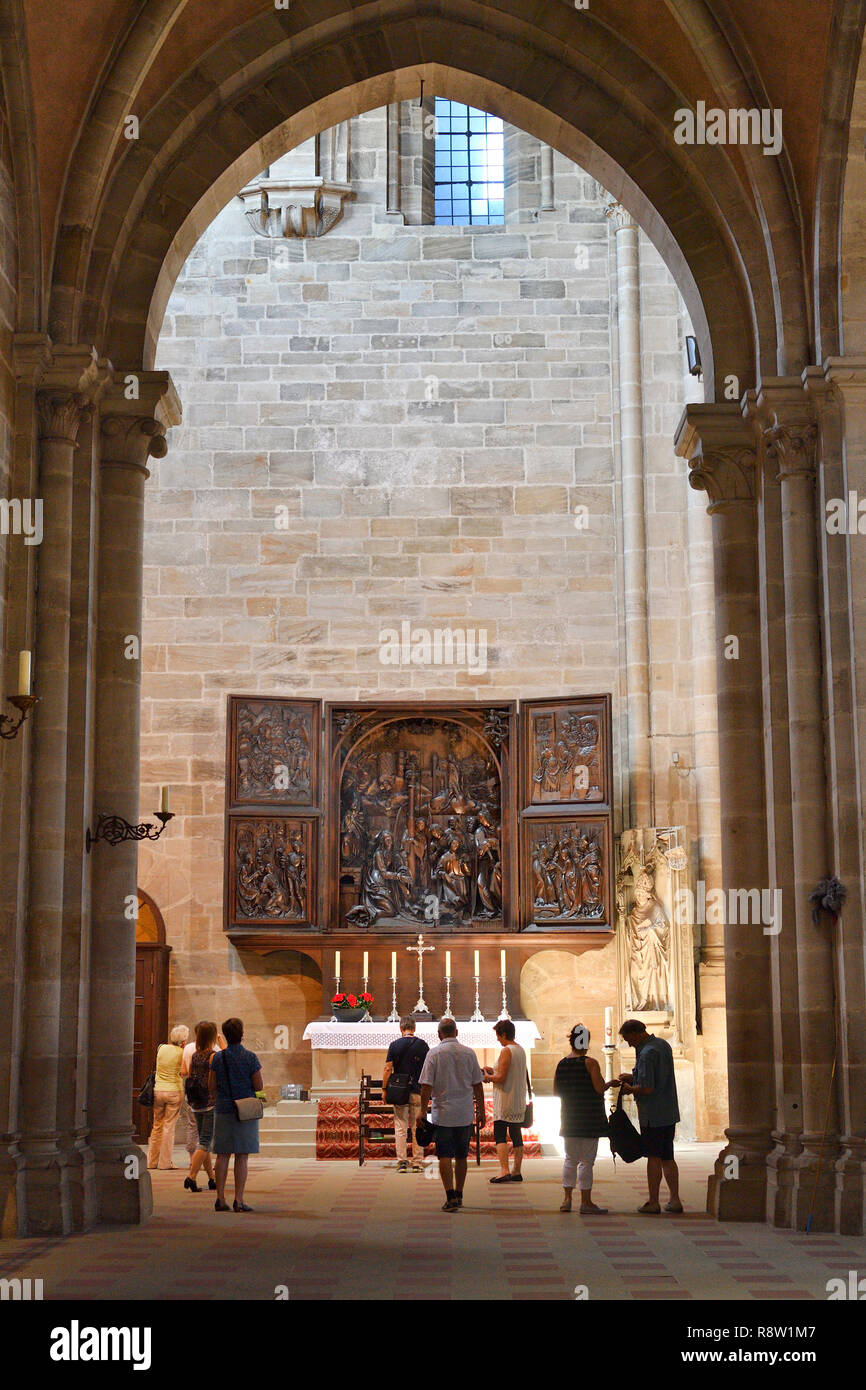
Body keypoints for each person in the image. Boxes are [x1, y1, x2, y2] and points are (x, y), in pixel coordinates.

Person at [615, 1018, 682, 1214]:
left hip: (652, 1114)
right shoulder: (662, 1045)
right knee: (667, 1157)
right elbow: (657, 1077)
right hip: (668, 1111)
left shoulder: (645, 1053)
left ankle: (653, 1201)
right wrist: (633, 1076)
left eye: (629, 1039)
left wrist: (629, 1088)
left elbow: (646, 1088)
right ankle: (675, 1200)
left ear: (636, 1033)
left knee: (653, 1157)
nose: (628, 1043)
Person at [418, 1019, 485, 1212]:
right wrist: (480, 1110)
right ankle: (460, 1193)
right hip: (464, 1113)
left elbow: (426, 1086)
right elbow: (478, 1085)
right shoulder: (469, 1053)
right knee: (462, 1156)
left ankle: (450, 1196)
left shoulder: (434, 1054)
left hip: (444, 1113)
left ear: (439, 1034)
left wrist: (423, 1110)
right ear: (457, 1031)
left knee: (445, 1155)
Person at [208, 1017, 263, 1212]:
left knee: (222, 1155)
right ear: (241, 1034)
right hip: (244, 1110)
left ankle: (220, 1198)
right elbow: (259, 1085)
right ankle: (239, 1200)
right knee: (241, 1156)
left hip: (223, 1108)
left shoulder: (217, 1058)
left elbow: (211, 1085)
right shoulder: (250, 1057)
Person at [553, 1023, 609, 1214]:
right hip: (589, 1117)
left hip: (569, 1116)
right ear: (585, 1041)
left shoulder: (562, 1064)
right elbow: (599, 1088)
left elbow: (556, 1091)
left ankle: (566, 1199)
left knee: (570, 1159)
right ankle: (586, 1202)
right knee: (586, 1161)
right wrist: (609, 1083)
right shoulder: (590, 1063)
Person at [483, 1019, 528, 1183]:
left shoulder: (506, 1050)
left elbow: (501, 1078)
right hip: (517, 1098)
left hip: (506, 1099)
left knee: (500, 1134)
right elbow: (509, 1071)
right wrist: (492, 1070)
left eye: (498, 1035)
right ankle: (517, 1171)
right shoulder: (520, 1049)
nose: (497, 1039)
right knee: (516, 1134)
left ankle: (504, 1170)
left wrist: (487, 1077)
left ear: (503, 1034)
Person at [382, 1017, 429, 1172]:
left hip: (399, 1090)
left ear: (401, 1029)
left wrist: (384, 1089)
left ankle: (402, 1161)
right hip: (418, 1090)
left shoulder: (394, 1045)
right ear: (414, 1028)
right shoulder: (422, 1045)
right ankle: (417, 1162)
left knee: (401, 1126)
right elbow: (428, 1069)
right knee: (417, 1126)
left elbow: (388, 1068)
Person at [182, 1020, 220, 1192]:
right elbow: (215, 1079)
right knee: (205, 1141)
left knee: (203, 1140)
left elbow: (189, 1075)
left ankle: (212, 1178)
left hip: (195, 1102)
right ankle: (191, 1177)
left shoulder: (195, 1054)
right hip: (209, 1102)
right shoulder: (213, 1056)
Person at [147, 1024, 189, 1170]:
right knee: (168, 1127)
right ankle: (165, 1163)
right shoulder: (182, 1053)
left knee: (157, 1125)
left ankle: (151, 1162)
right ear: (183, 1041)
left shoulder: (161, 1048)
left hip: (158, 1090)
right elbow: (184, 1072)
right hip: (173, 1091)